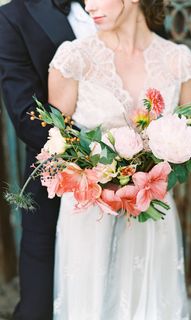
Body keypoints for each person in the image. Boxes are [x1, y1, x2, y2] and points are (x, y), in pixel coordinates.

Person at [48, 0, 191, 319]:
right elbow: (57, 144)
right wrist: (103, 179)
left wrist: (157, 171)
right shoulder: (73, 59)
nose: (89, 6)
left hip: (152, 212)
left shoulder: (180, 62)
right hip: (91, 213)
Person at [0, 0, 96, 319]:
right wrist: (92, 156)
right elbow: (25, 112)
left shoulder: (127, 6)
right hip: (57, 170)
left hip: (129, 173)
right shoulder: (13, 17)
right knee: (41, 298)